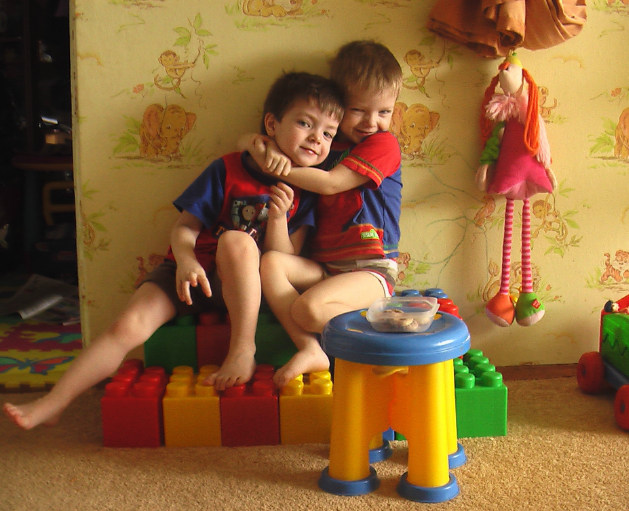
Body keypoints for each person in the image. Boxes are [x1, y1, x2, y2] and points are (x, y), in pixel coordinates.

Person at [3, 71, 344, 430]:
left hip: (244, 285)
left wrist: (277, 218)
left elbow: (284, 257)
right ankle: (53, 403)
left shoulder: (308, 191)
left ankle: (242, 350)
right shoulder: (227, 168)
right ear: (272, 124)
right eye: (305, 123)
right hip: (190, 272)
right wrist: (185, 261)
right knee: (126, 326)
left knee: (237, 241)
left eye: (328, 133)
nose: (316, 138)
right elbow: (185, 226)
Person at [245, 40, 403, 387]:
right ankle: (311, 348)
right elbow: (266, 143)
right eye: (358, 110)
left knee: (309, 310)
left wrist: (273, 165)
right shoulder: (325, 145)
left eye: (384, 112)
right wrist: (256, 145)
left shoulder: (383, 144)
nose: (372, 122)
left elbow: (331, 184)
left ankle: (390, 341)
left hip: (370, 270)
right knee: (270, 263)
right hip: (326, 269)